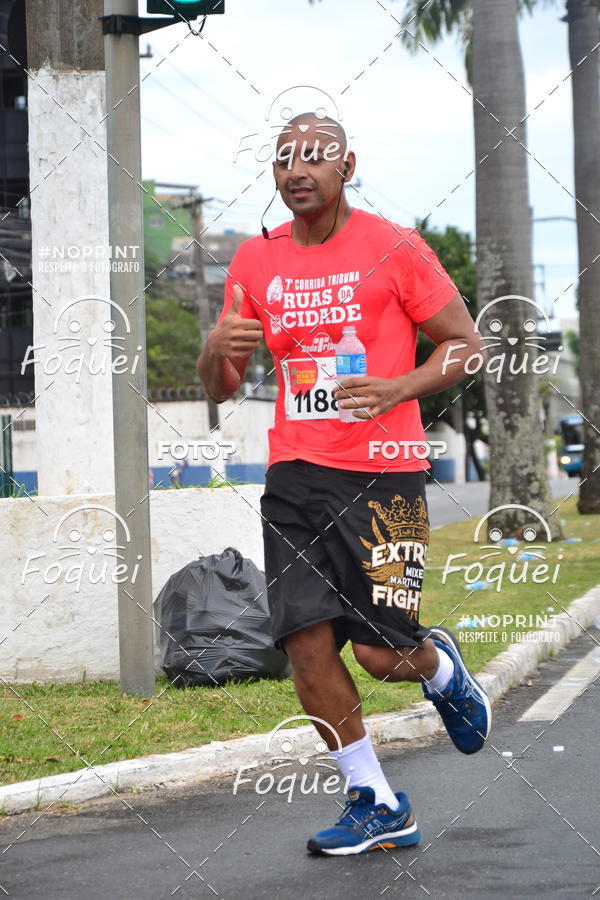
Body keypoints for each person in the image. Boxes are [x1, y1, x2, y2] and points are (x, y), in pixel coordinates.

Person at [197, 112, 491, 856]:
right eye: (284, 158)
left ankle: (437, 665)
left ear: (346, 167)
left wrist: (399, 388)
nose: (298, 170)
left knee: (380, 656)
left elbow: (467, 346)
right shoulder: (253, 263)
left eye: (315, 158)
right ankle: (375, 798)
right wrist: (214, 352)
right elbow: (221, 389)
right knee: (304, 643)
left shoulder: (394, 246)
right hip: (295, 473)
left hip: (384, 473)